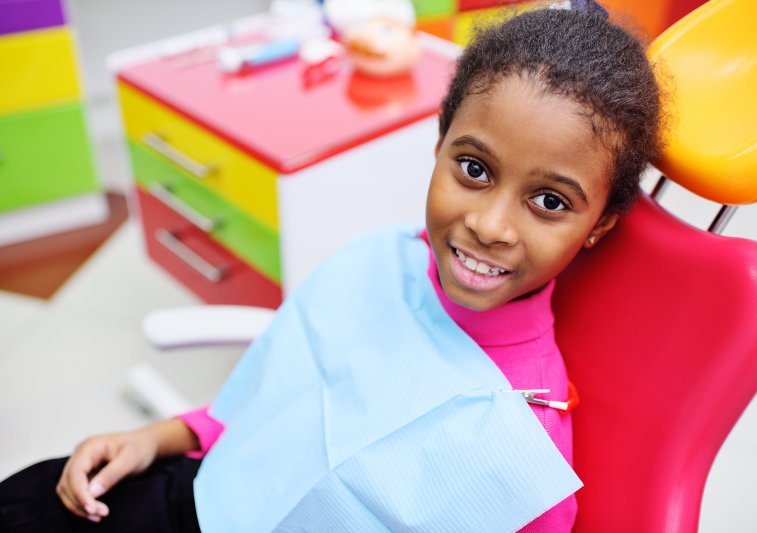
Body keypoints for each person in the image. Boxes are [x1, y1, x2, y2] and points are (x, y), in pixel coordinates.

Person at [0, 3, 664, 532]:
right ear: (437, 147)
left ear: (599, 224)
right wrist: (160, 437)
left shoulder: (524, 455)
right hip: (196, 490)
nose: (490, 225)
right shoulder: (382, 261)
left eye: (550, 201)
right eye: (473, 168)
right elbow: (268, 403)